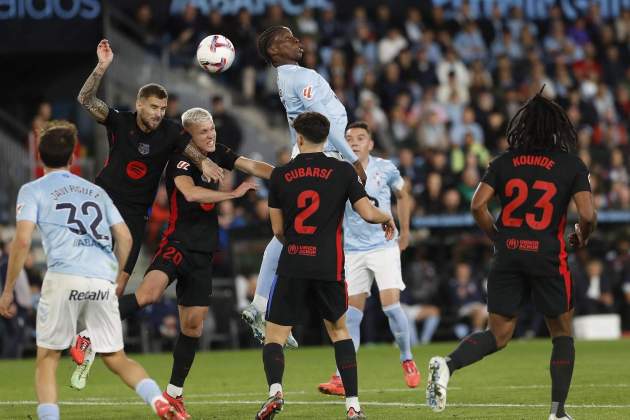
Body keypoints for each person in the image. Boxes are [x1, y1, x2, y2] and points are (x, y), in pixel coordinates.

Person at [71, 108, 273, 419]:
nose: (212, 135)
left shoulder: (217, 153)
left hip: (204, 253)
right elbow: (192, 195)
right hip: (177, 243)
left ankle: (174, 395)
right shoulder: (180, 159)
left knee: (193, 326)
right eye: (204, 131)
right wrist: (233, 193)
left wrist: (287, 174)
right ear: (188, 136)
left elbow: (252, 165)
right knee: (148, 294)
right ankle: (89, 333)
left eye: (212, 129)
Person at [426, 91, 597, 420]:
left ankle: (447, 365)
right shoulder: (571, 165)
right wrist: (582, 236)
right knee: (561, 333)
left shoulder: (504, 161)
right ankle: (558, 412)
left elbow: (477, 205)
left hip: (508, 255)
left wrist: (496, 236)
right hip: (547, 255)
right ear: (557, 128)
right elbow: (587, 216)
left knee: (498, 334)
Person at [0, 122, 183, 420]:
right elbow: (125, 237)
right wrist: (118, 275)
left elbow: (21, 241)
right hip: (101, 281)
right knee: (117, 358)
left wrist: (7, 290)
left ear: (39, 154)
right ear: (73, 157)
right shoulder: (95, 191)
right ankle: (159, 402)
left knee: (47, 359)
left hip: (63, 277)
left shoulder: (33, 190)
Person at [73, 39, 222, 365]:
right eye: (153, 107)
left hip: (136, 215)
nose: (158, 114)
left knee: (123, 281)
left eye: (163, 109)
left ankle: (90, 335)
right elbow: (85, 99)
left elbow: (191, 149)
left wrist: (205, 163)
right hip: (104, 203)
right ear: (140, 105)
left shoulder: (170, 132)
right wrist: (102, 66)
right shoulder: (119, 121)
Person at [255, 112, 395, 420]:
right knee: (340, 332)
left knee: (274, 336)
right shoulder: (343, 171)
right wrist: (388, 218)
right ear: (327, 137)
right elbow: (368, 214)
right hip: (328, 266)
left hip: (293, 263)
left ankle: (275, 391)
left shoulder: (280, 175)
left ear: (299, 138)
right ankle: (353, 406)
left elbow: (277, 230)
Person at [241, 25, 368, 348]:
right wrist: (354, 161)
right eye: (288, 38)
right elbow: (322, 124)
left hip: (311, 156)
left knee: (294, 236)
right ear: (273, 51)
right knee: (319, 236)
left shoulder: (287, 79)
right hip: (324, 158)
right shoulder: (301, 78)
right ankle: (283, 310)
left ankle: (262, 305)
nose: (297, 41)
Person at [317, 121, 419, 396]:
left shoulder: (385, 168)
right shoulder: (339, 170)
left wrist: (406, 232)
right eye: (349, 137)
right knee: (350, 316)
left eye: (361, 137)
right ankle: (340, 376)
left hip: (383, 245)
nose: (354, 142)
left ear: (370, 143)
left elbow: (403, 194)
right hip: (352, 250)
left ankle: (407, 359)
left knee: (390, 305)